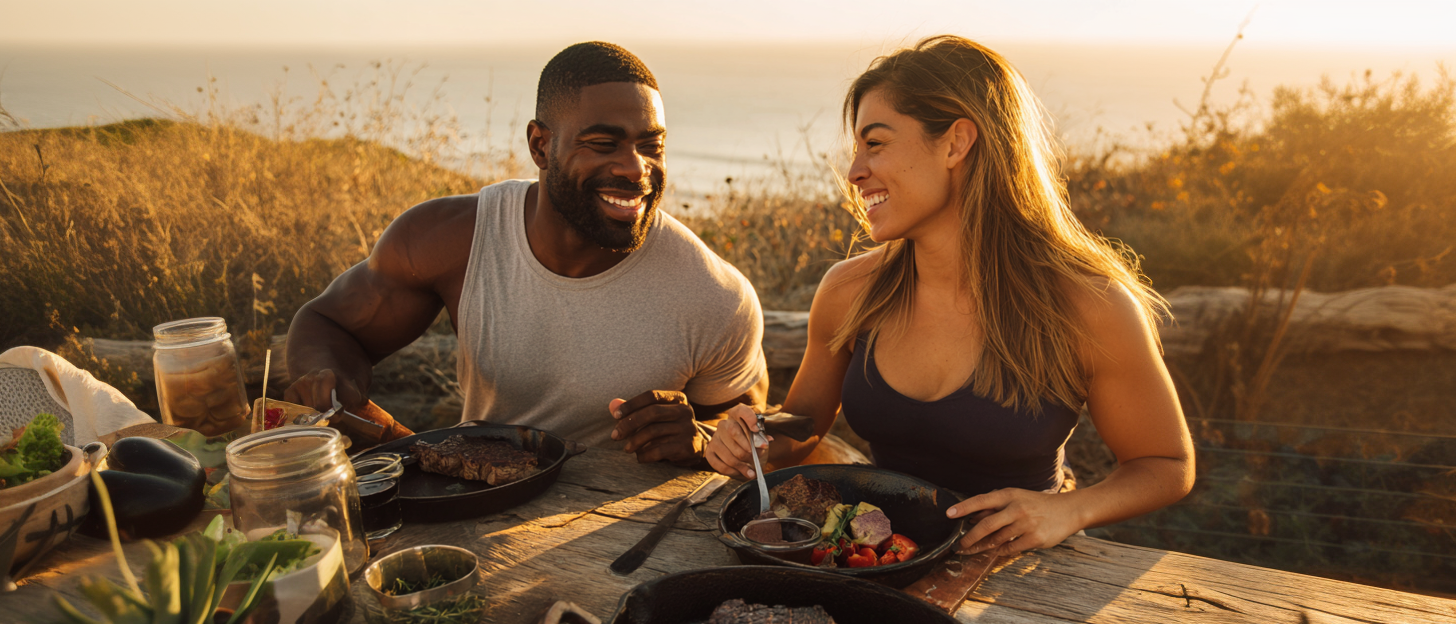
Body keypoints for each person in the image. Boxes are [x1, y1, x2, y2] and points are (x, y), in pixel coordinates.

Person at [705, 36, 1194, 557]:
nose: (853, 172)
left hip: (1021, 571)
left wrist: (1070, 510)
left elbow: (1166, 464)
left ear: (956, 143)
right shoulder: (849, 291)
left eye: (875, 143)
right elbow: (801, 425)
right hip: (881, 558)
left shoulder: (1087, 305)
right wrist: (752, 436)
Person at [284, 42, 767, 463]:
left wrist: (702, 439)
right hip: (478, 506)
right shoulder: (449, 240)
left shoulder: (714, 295)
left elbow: (756, 435)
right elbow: (328, 324)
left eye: (651, 146)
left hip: (628, 533)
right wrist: (330, 384)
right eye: (604, 144)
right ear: (540, 146)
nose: (635, 168)